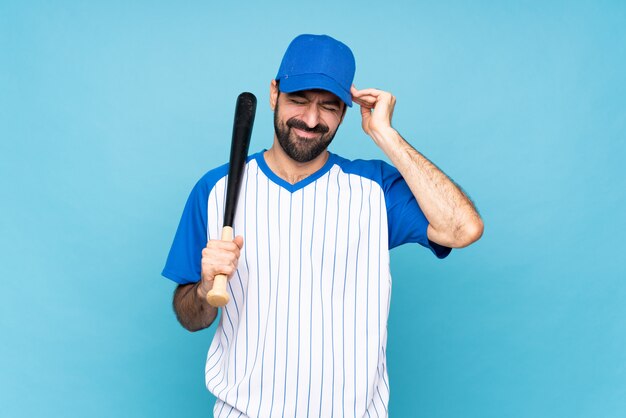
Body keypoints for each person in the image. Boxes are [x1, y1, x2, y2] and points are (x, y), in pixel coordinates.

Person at [162, 34, 483, 418]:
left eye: (328, 107)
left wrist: (386, 134)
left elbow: (462, 229)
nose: (311, 120)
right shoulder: (216, 189)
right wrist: (202, 287)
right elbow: (190, 316)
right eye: (298, 100)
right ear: (274, 93)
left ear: (345, 113)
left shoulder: (375, 189)